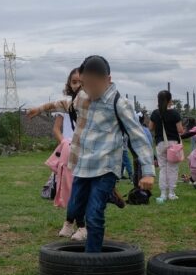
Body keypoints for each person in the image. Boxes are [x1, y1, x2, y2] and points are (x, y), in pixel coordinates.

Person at [65, 56, 154, 252]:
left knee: (94, 213)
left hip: (106, 168)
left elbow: (138, 137)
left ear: (108, 79)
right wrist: (40, 108)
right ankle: (109, 196)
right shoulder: (83, 98)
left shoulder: (119, 104)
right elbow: (64, 104)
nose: (90, 89)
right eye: (85, 84)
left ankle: (93, 258)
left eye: (94, 84)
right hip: (84, 166)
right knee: (74, 208)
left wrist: (147, 171)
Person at [29, 68, 83, 221]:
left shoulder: (90, 103)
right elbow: (56, 128)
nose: (77, 85)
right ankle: (70, 221)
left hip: (85, 150)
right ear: (69, 84)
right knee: (67, 188)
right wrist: (64, 143)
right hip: (68, 150)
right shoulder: (65, 104)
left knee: (82, 187)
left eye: (80, 81)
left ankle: (80, 223)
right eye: (74, 82)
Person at [149, 90, 186, 203]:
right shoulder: (174, 113)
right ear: (170, 100)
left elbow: (150, 127)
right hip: (173, 144)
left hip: (160, 143)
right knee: (172, 169)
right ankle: (171, 193)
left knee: (163, 168)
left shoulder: (155, 113)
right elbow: (180, 130)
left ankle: (163, 194)